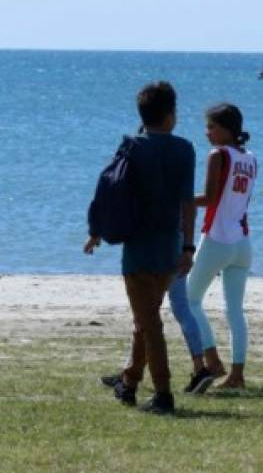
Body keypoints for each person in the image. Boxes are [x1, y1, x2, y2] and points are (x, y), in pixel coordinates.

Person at [83, 81, 196, 415]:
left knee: (149, 322)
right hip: (171, 248)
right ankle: (129, 382)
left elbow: (108, 191)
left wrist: (96, 231)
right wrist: (189, 247)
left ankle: (163, 394)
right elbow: (188, 203)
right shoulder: (185, 149)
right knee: (144, 319)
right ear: (171, 115)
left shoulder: (131, 147)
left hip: (138, 250)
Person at [188, 104, 257, 391]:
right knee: (235, 311)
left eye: (211, 127)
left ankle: (212, 359)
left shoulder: (218, 154)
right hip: (242, 241)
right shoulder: (251, 158)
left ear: (227, 129)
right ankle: (237, 375)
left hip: (218, 238)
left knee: (189, 301)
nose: (207, 132)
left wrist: (178, 199)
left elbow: (209, 198)